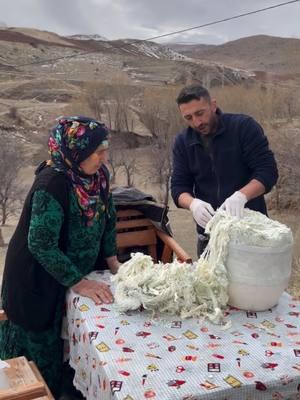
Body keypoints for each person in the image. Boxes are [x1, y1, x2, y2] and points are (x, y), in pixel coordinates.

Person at [0, 116, 120, 398]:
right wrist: (79, 282)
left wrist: (113, 261)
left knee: (71, 358)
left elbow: (108, 218)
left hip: (70, 279)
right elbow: (41, 244)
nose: (104, 157)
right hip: (35, 284)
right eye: (98, 151)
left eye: (105, 149)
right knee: (42, 361)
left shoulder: (97, 176)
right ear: (75, 152)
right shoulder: (52, 183)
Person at [171, 85, 278, 256]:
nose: (197, 123)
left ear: (213, 105)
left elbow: (267, 171)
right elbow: (178, 187)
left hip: (251, 234)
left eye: (200, 113)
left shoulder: (243, 127)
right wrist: (193, 204)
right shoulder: (182, 142)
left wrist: (242, 196)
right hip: (210, 238)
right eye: (188, 118)